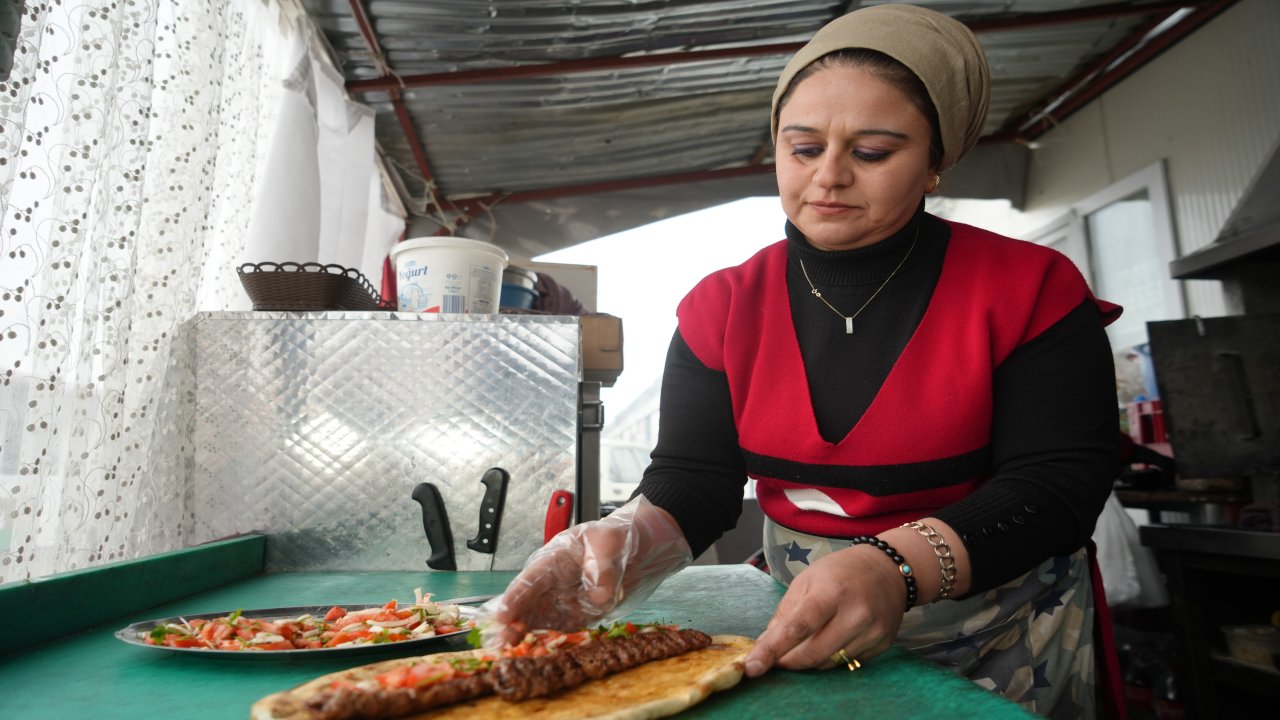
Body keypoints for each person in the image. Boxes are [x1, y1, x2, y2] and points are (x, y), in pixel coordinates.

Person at [479, 4, 1121, 716]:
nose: (829, 177)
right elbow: (697, 481)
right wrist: (624, 536)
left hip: (1001, 630)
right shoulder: (724, 305)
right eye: (803, 147)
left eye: (873, 151)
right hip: (807, 630)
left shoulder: (1029, 288)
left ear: (937, 161)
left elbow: (1058, 482)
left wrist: (895, 566)